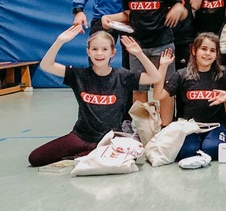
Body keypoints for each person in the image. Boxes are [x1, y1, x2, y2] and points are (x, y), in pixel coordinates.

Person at [28, 24, 168, 167]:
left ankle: (88, 154)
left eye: (104, 49)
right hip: (81, 137)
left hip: (111, 139)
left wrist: (139, 54)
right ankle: (86, 153)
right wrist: (60, 41)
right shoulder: (79, 75)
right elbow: (46, 65)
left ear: (112, 52)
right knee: (35, 158)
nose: (99, 54)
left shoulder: (122, 76)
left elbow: (155, 77)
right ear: (88, 52)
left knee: (127, 159)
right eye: (94, 49)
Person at [101, 0, 186, 126]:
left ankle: (165, 127)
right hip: (137, 47)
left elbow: (181, 6)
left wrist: (178, 7)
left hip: (163, 46)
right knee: (139, 89)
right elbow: (127, 15)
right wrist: (108, 18)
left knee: (164, 89)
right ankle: (143, 127)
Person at [152, 33, 226, 161]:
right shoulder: (182, 75)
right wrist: (163, 66)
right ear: (194, 50)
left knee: (212, 148)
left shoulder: (222, 74)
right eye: (204, 49)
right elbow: (157, 95)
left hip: (216, 125)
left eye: (212, 50)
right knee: (188, 151)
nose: (207, 53)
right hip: (189, 127)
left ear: (217, 55)